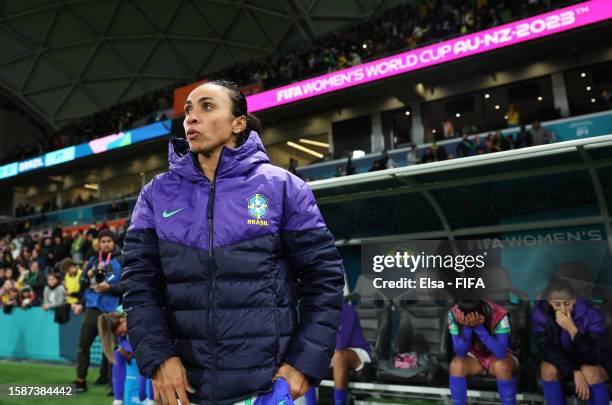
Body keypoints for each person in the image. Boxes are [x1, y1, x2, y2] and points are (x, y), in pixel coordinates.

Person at [121, 80, 345, 405]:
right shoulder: (156, 194)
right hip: (185, 388)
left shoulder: (284, 188)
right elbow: (139, 286)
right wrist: (158, 358)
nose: (191, 118)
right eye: (188, 111)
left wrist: (302, 364)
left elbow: (324, 280)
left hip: (266, 388)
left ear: (238, 123)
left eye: (207, 107)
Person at [534, 279, 611, 405]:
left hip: (593, 361)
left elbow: (596, 356)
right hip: (564, 362)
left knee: (589, 372)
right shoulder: (541, 314)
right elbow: (546, 349)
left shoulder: (592, 315)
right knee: (547, 370)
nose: (563, 310)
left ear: (574, 299)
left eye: (567, 303)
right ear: (549, 302)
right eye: (557, 305)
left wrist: (572, 330)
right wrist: (574, 370)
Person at [73, 229, 123, 393]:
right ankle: (80, 381)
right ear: (99, 244)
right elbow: (81, 282)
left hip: (111, 311)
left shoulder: (121, 260)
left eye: (109, 241)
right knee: (82, 346)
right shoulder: (93, 261)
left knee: (111, 349)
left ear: (113, 242)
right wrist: (87, 276)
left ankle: (113, 384)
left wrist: (110, 287)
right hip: (92, 309)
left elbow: (127, 285)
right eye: (103, 241)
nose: (106, 244)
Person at [448, 299, 517, 405]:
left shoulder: (499, 314)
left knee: (501, 366)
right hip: (474, 357)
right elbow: (460, 352)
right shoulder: (454, 313)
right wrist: (468, 328)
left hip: (502, 357)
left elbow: (501, 354)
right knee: (456, 365)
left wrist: (479, 328)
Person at [304, 302, 372, 405]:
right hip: (333, 352)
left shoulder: (347, 310)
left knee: (339, 356)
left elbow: (341, 343)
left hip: (358, 352)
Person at [98, 310, 155, 405]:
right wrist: (127, 350)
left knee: (148, 358)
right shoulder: (120, 323)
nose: (121, 334)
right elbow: (124, 344)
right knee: (117, 354)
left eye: (121, 332)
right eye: (118, 334)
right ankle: (118, 399)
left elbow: (145, 355)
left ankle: (152, 399)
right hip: (141, 354)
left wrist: (144, 394)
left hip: (156, 352)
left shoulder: (139, 321)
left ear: (122, 320)